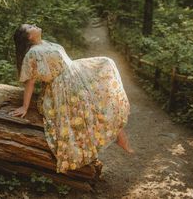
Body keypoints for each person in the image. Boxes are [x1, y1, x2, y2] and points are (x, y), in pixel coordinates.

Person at [9, 24, 134, 173]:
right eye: (30, 27)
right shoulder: (33, 53)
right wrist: (25, 106)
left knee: (106, 64)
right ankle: (119, 138)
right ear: (28, 37)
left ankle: (120, 136)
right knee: (91, 107)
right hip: (63, 87)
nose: (34, 25)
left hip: (75, 73)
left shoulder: (45, 43)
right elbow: (30, 82)